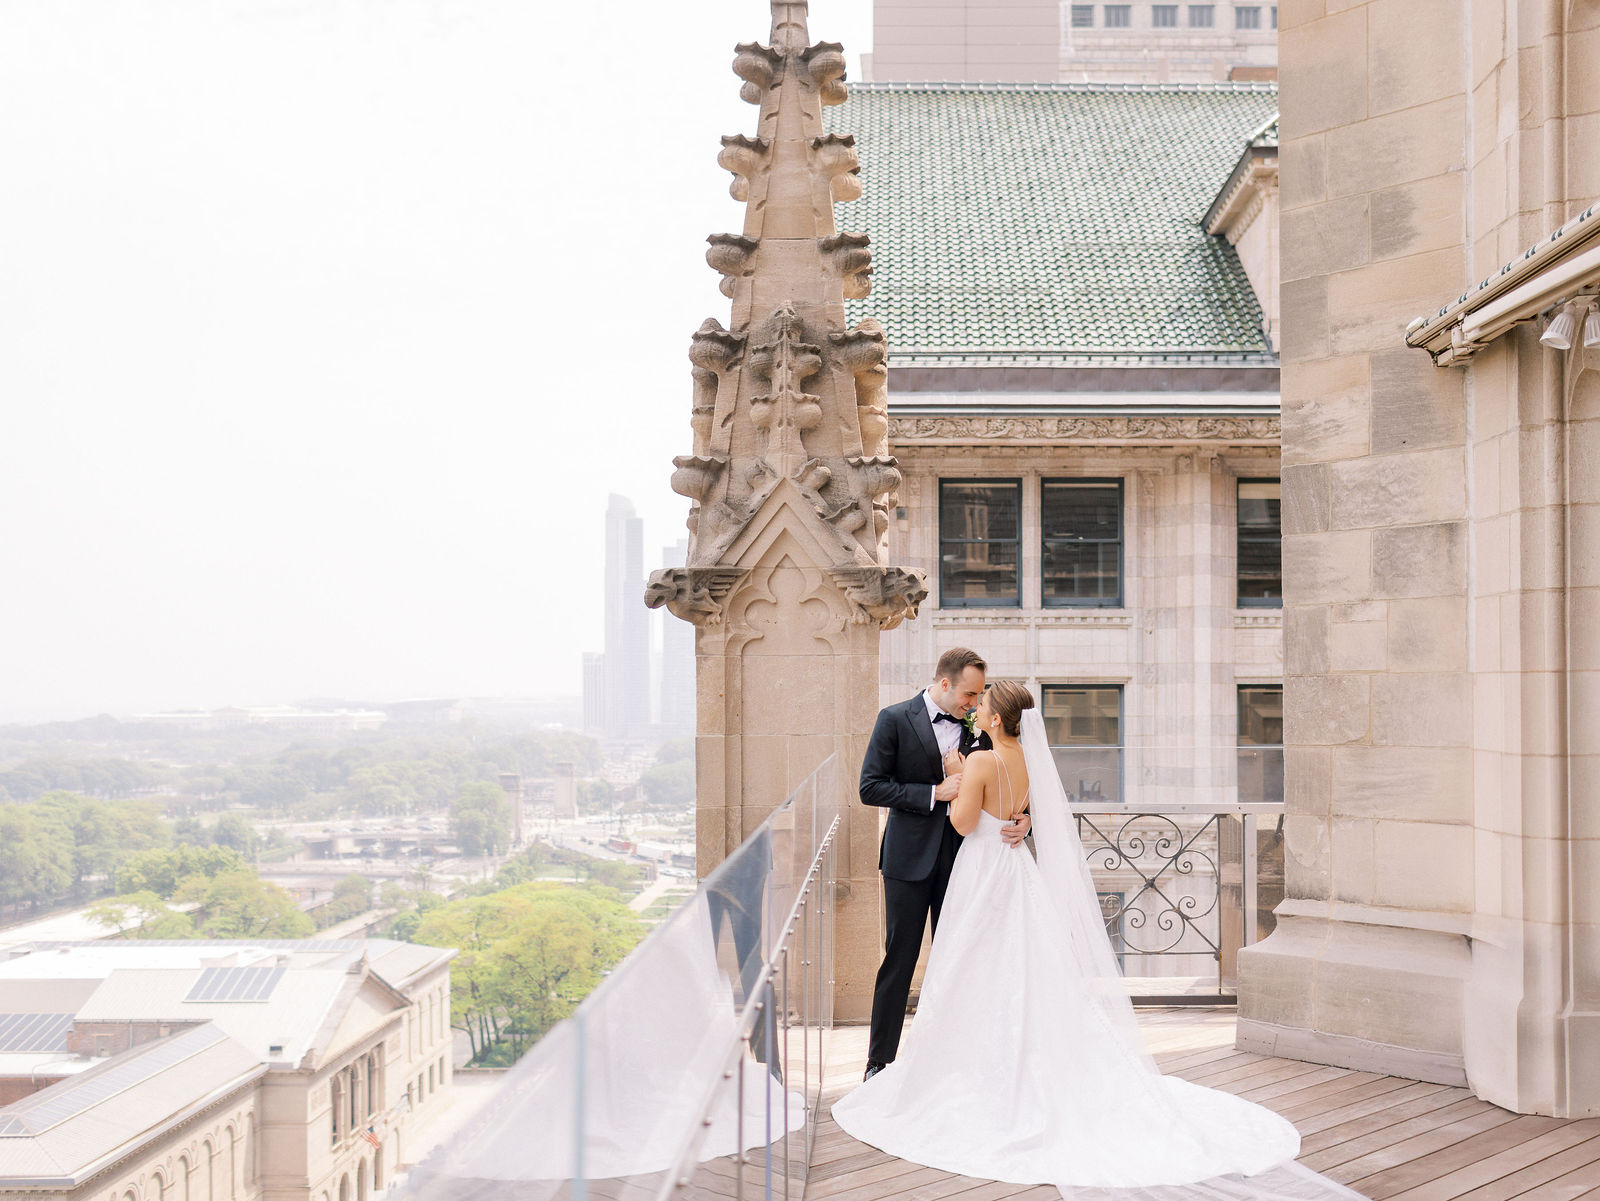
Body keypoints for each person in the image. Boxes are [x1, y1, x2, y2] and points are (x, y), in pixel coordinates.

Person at [833, 683, 1361, 1200]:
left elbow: (965, 821)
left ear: (994, 719)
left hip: (980, 870)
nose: (975, 711)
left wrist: (955, 783)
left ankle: (969, 1068)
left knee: (971, 967)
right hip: (1014, 872)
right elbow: (1015, 809)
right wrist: (1011, 814)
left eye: (983, 706)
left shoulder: (979, 761)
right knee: (1021, 967)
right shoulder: (1021, 757)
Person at [858, 648, 1031, 1081]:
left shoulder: (983, 727)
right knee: (899, 959)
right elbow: (870, 787)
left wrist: (1024, 820)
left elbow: (1012, 778)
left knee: (962, 959)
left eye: (978, 697)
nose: (973, 703)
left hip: (968, 861)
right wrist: (935, 791)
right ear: (945, 683)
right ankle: (879, 1062)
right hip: (907, 860)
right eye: (969, 694)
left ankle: (955, 1061)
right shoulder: (894, 718)